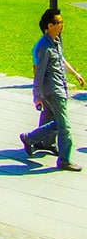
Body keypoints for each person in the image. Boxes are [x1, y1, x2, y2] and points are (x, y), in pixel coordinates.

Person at [19, 9, 84, 171]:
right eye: (59, 23)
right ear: (50, 25)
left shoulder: (55, 42)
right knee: (65, 127)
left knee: (59, 123)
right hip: (53, 91)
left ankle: (30, 138)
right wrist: (37, 95)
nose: (62, 25)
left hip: (59, 87)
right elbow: (38, 73)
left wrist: (75, 73)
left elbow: (61, 60)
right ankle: (64, 160)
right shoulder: (43, 47)